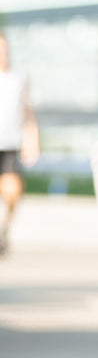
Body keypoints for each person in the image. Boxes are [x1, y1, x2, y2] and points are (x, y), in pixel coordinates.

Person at [0, 32, 40, 253]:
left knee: (12, 191)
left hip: (10, 143)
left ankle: (4, 229)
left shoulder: (18, 78)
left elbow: (28, 113)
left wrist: (32, 141)